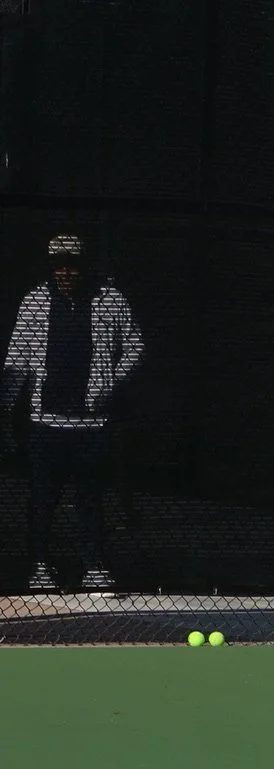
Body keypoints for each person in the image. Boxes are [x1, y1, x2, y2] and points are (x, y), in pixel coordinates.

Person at [2, 235, 143, 592]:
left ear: (84, 264)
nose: (66, 271)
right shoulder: (35, 301)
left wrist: (109, 382)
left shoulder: (109, 299)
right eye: (59, 264)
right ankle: (38, 566)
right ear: (50, 266)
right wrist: (6, 411)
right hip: (44, 422)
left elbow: (135, 345)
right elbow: (17, 358)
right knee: (42, 498)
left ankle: (93, 565)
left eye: (72, 264)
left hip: (92, 423)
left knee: (90, 497)